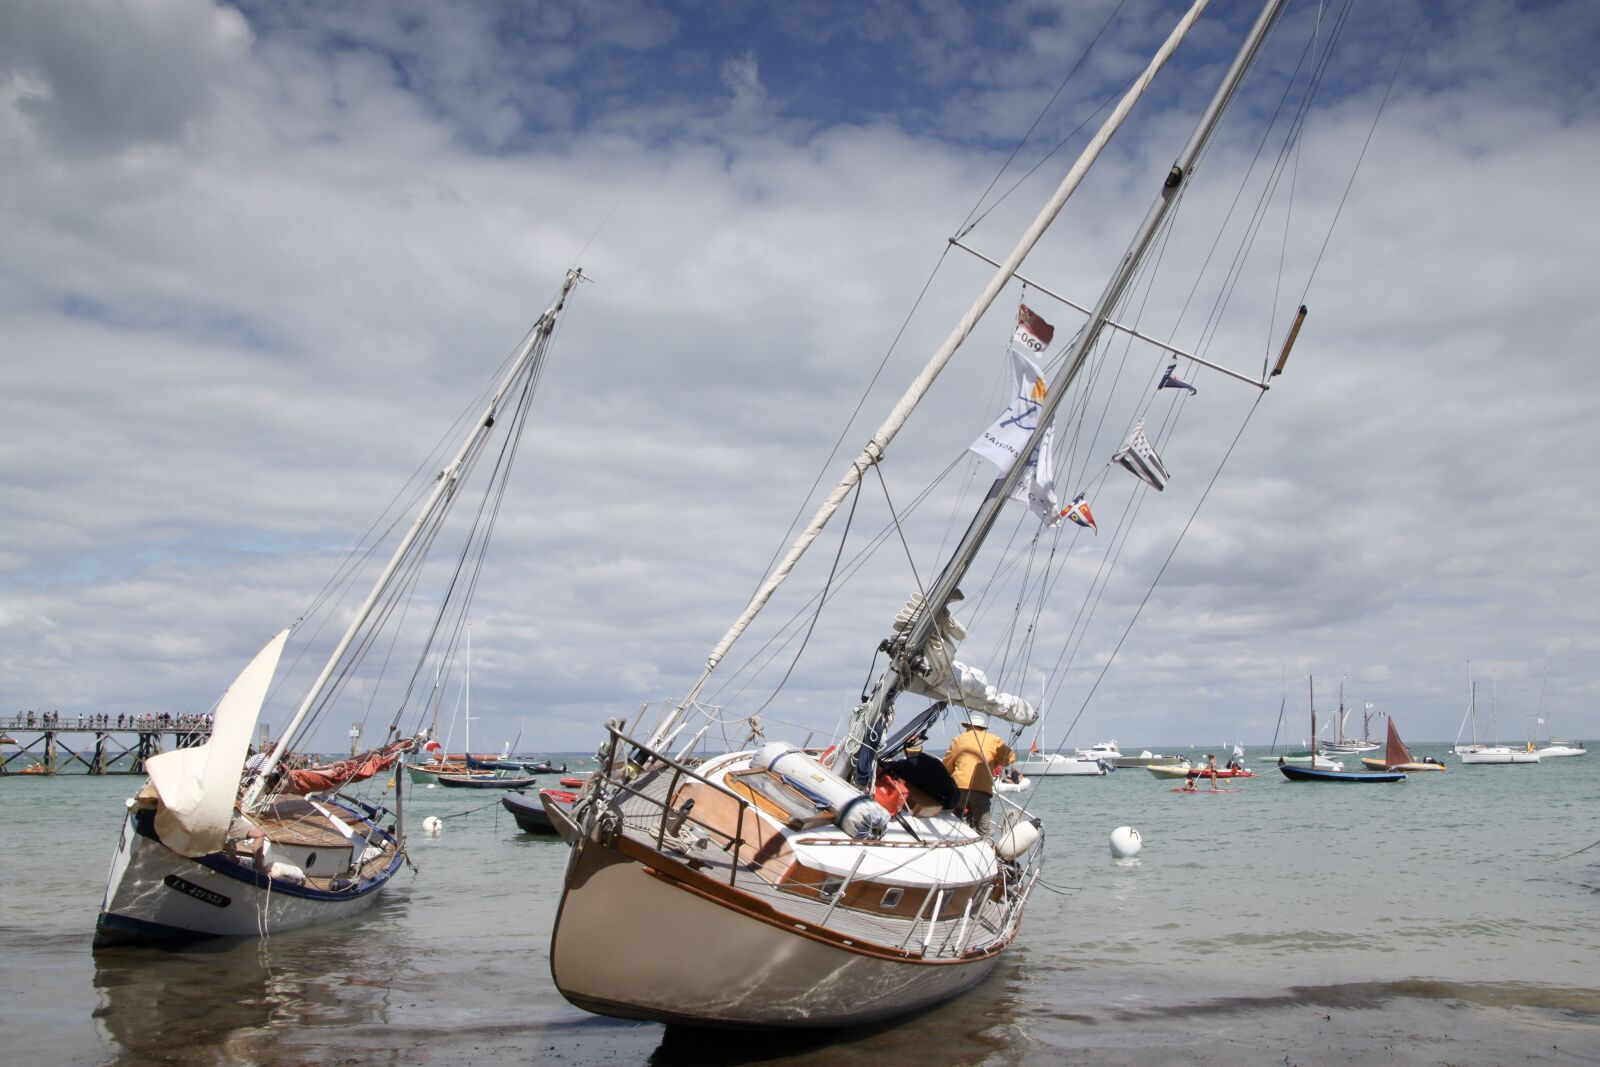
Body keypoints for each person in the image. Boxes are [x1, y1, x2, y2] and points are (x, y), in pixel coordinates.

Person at [942, 712, 1015, 834]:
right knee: (983, 830)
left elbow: (946, 767)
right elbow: (1010, 759)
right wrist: (995, 760)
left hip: (958, 788)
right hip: (981, 790)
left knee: (953, 826)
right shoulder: (994, 740)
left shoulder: (958, 740)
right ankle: (985, 847)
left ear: (967, 727)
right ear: (983, 728)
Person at [881, 734, 960, 813]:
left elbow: (888, 766)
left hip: (934, 805)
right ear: (921, 748)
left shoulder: (905, 766)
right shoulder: (935, 763)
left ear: (905, 750)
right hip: (948, 803)